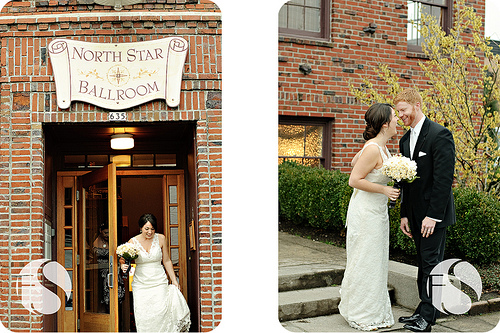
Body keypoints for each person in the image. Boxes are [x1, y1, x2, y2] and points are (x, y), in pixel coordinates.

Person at [395, 88, 456, 332]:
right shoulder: (404, 140)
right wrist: (404, 214)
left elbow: (443, 180)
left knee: (432, 264)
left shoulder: (440, 135)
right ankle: (423, 308)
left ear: (417, 105)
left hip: (433, 216)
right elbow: (405, 182)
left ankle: (428, 318)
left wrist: (432, 216)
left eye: (403, 110)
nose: (401, 116)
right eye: (398, 112)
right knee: (423, 262)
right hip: (415, 214)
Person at [338, 103, 400, 331]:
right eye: (394, 117)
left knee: (375, 260)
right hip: (366, 213)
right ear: (385, 124)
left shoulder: (379, 148)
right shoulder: (374, 149)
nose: (397, 121)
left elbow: (356, 162)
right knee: (365, 259)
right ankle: (362, 313)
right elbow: (354, 180)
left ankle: (371, 309)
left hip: (377, 212)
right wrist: (384, 189)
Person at [120, 213, 191, 332]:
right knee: (144, 314)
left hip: (159, 281)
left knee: (161, 312)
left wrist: (174, 280)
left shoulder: (161, 238)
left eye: (152, 229)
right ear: (140, 228)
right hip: (141, 284)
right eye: (146, 229)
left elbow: (167, 260)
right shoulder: (132, 242)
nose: (150, 232)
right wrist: (123, 264)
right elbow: (123, 258)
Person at [93, 224, 125, 312]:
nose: (107, 235)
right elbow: (96, 253)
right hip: (101, 272)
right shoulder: (97, 241)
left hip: (113, 270)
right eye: (105, 232)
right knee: (104, 295)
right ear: (100, 231)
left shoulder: (111, 240)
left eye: (109, 233)